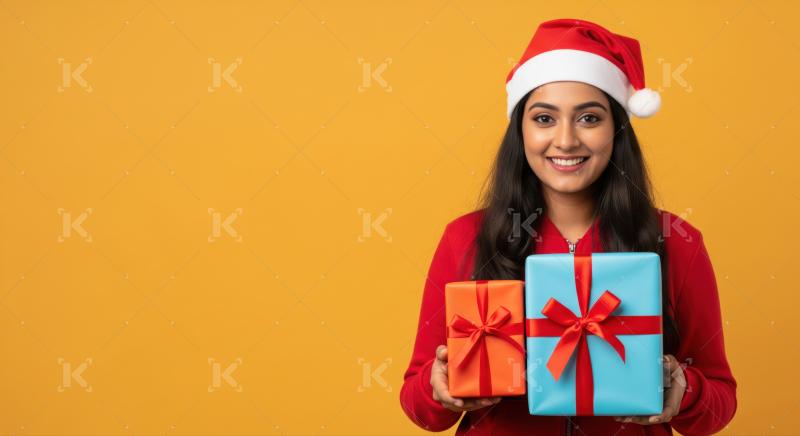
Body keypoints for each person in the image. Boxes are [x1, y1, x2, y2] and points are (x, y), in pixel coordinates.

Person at [399, 18, 737, 435]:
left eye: (589, 118)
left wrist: (684, 390)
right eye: (544, 118)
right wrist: (440, 388)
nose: (565, 140)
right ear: (520, 129)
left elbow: (719, 405)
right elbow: (418, 406)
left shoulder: (677, 241)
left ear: (617, 129)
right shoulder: (466, 237)